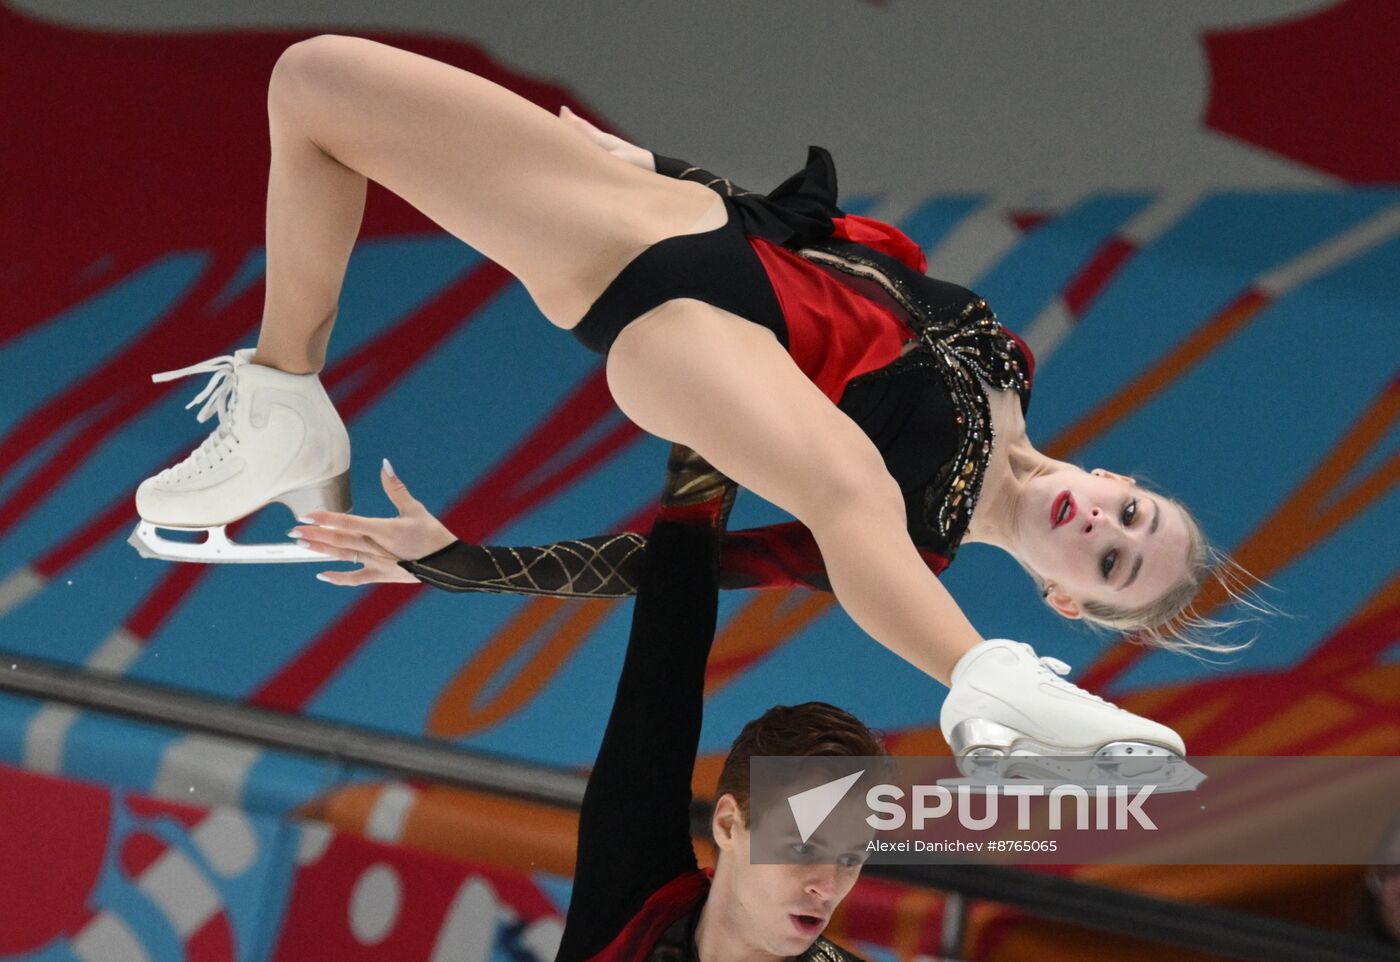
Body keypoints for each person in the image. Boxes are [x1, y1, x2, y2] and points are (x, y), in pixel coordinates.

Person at [132, 35, 1225, 768]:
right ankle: (284, 402)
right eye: (1133, 515)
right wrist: (657, 160)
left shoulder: (913, 549)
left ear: (1063, 599)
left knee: (852, 489)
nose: (1107, 531)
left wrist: (467, 562)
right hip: (680, 224)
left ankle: (984, 682)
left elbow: (684, 563)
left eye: (1115, 564)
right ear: (1118, 481)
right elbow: (832, 245)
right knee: (316, 82)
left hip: (678, 332)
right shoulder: (1007, 360)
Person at [547, 447, 879, 962]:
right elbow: (662, 670)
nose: (828, 886)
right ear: (729, 825)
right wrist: (717, 400)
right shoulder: (637, 903)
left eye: (852, 856)